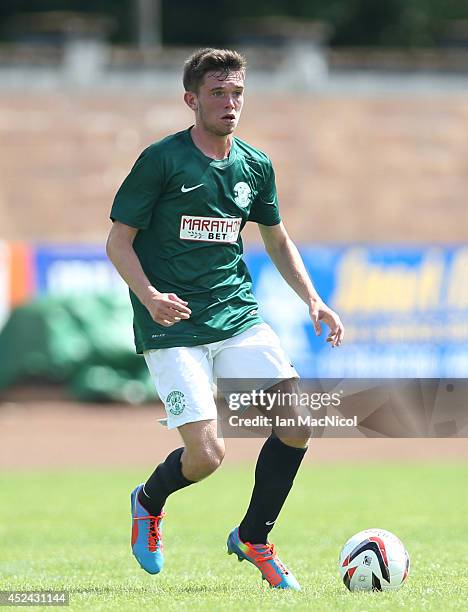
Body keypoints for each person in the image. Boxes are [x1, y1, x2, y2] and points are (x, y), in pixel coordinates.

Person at [106, 47, 344, 591]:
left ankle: (255, 536)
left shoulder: (255, 165)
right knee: (208, 457)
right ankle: (148, 499)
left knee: (298, 418)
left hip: (236, 315)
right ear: (192, 100)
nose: (230, 103)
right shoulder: (161, 160)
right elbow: (119, 241)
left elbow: (276, 238)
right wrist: (148, 296)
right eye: (217, 93)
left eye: (236, 92)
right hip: (173, 325)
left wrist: (313, 299)